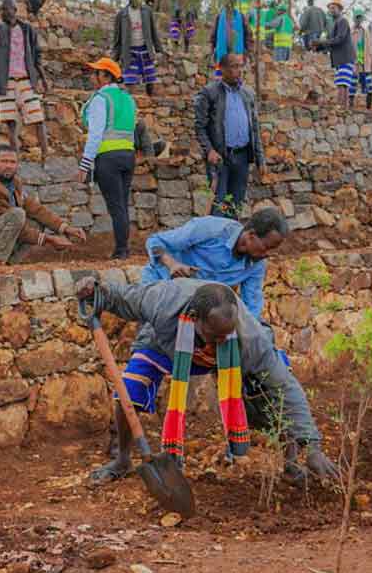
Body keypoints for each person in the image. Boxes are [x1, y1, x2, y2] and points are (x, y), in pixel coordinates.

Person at [78, 276, 339, 485]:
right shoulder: (164, 301)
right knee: (130, 390)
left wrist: (312, 445)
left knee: (270, 393)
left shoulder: (249, 340)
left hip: (229, 361)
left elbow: (285, 387)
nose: (219, 343)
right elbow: (123, 298)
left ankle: (292, 463)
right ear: (195, 318)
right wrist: (95, 291)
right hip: (163, 345)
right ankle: (122, 460)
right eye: (214, 336)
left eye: (225, 336)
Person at [141, 207, 288, 320]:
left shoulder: (256, 264)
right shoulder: (211, 229)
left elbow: (252, 307)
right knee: (150, 342)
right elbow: (155, 241)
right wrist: (172, 264)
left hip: (192, 307)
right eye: (266, 247)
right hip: (160, 287)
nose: (268, 254)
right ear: (251, 236)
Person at [0, 145, 85, 265]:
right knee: (17, 214)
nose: (8, 166)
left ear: (17, 165)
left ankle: (9, 264)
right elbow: (15, 224)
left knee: (36, 222)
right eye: (4, 161)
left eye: (12, 162)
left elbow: (35, 209)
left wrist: (65, 228)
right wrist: (49, 240)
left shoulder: (13, 184)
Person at [78, 57, 137, 259]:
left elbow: (95, 134)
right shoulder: (128, 99)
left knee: (116, 206)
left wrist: (85, 164)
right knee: (122, 204)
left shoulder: (101, 100)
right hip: (128, 156)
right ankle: (123, 247)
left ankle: (121, 251)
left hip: (108, 158)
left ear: (105, 76)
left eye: (96, 73)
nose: (92, 76)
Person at [194, 52, 264, 218]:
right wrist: (209, 150)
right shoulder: (209, 93)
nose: (239, 70)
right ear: (222, 69)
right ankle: (215, 241)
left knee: (235, 205)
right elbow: (200, 127)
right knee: (219, 205)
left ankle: (231, 242)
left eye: (240, 66)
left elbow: (254, 128)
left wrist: (260, 159)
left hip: (242, 158)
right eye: (234, 66)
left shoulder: (248, 94)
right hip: (220, 158)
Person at [0, 0, 49, 153]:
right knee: (11, 123)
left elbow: (37, 55)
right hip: (5, 83)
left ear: (14, 10)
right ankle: (15, 157)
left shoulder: (27, 30)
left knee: (38, 118)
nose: (2, 12)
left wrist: (43, 78)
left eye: (5, 9)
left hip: (26, 80)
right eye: (1, 9)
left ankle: (46, 155)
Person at [112, 0, 164, 96]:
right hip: (130, 51)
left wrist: (159, 50)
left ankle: (150, 102)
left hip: (145, 49)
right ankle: (131, 104)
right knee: (130, 80)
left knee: (150, 80)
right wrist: (114, 57)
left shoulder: (147, 12)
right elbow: (117, 38)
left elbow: (153, 32)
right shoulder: (122, 15)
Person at [309, 0, 355, 108]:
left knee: (342, 83)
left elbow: (339, 39)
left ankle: (341, 107)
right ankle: (342, 107)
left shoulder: (342, 21)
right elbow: (331, 43)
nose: (331, 10)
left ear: (340, 9)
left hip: (345, 57)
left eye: (333, 8)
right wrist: (318, 47)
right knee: (342, 82)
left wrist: (320, 42)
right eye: (330, 8)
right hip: (342, 58)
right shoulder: (335, 24)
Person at [210, 0, 253, 80]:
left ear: (235, 1)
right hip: (222, 55)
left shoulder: (241, 17)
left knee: (236, 80)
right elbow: (214, 35)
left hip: (237, 55)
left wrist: (247, 51)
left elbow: (248, 34)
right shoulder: (220, 16)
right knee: (221, 81)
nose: (230, 1)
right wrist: (212, 50)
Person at [351, 10, 372, 109]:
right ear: (354, 18)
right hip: (354, 63)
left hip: (366, 64)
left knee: (370, 86)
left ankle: (368, 107)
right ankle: (351, 104)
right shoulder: (350, 32)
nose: (358, 19)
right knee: (352, 85)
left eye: (360, 17)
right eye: (357, 17)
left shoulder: (366, 32)